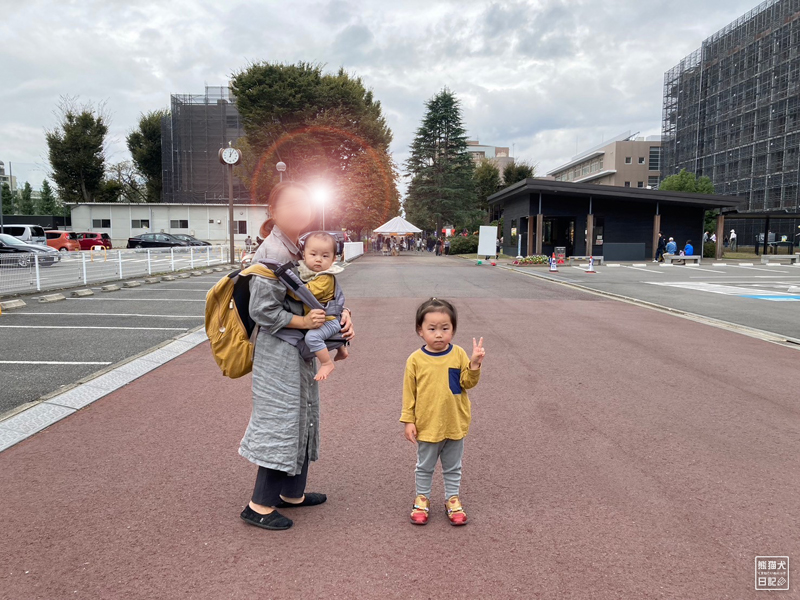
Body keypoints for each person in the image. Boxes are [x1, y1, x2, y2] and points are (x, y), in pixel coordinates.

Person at [241, 181, 355, 531]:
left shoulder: (298, 249)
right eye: (289, 204)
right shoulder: (272, 252)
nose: (298, 209)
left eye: (303, 203)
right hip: (279, 353)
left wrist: (343, 316)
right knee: (282, 420)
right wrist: (306, 320)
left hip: (298, 351)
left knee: (304, 414)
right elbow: (262, 310)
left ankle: (292, 492)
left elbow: (321, 292)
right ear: (272, 211)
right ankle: (258, 504)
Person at [400, 298, 485, 526]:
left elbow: (466, 383)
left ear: (453, 330)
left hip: (454, 422)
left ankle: (452, 499)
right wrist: (408, 420)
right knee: (424, 466)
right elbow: (409, 394)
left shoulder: (458, 354)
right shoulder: (415, 360)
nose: (439, 334)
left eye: (445, 328)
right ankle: (422, 499)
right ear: (420, 331)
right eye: (432, 329)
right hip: (427, 424)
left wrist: (474, 364)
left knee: (453, 466)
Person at [298, 231, 348, 381]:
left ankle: (326, 363)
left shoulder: (324, 277)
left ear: (333, 259)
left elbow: (306, 293)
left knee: (312, 338)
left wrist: (287, 289)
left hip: (329, 320)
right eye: (313, 254)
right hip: (329, 317)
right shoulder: (312, 273)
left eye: (325, 256)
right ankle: (342, 349)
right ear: (304, 255)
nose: (318, 259)